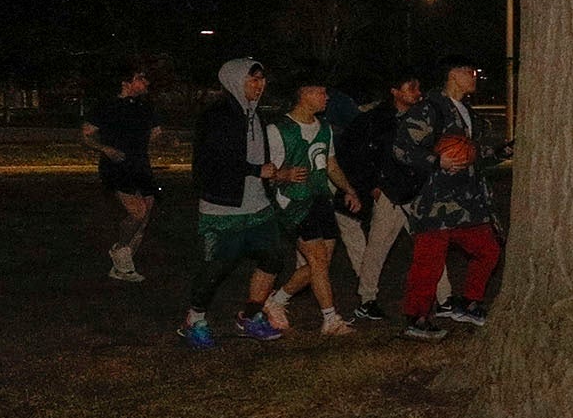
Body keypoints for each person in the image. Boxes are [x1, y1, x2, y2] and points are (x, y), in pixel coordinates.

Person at [181, 57, 298, 346]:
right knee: (217, 266)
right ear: (235, 80)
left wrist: (271, 175)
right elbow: (212, 161)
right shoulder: (217, 116)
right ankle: (194, 320)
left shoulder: (255, 114)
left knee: (272, 257)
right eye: (252, 79)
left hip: (257, 205)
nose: (259, 86)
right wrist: (255, 170)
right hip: (223, 206)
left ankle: (250, 315)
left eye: (261, 79)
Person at [395, 57, 504, 339]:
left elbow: (472, 153)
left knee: (489, 249)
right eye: (469, 71)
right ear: (453, 76)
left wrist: (499, 153)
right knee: (428, 262)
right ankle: (416, 318)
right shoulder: (430, 108)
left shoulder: (469, 112)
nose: (474, 76)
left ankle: (469, 303)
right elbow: (401, 148)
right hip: (435, 202)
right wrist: (436, 161)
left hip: (468, 203)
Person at [267, 75, 357, 335]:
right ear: (303, 94)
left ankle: (276, 300)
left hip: (320, 199)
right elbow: (266, 170)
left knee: (321, 263)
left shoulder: (324, 127)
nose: (326, 98)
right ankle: (330, 319)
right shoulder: (278, 129)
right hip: (293, 201)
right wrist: (284, 175)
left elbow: (330, 164)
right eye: (321, 92)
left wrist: (349, 190)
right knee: (317, 259)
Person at [335, 72, 427, 322]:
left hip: (416, 189)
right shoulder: (373, 120)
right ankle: (367, 299)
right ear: (395, 91)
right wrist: (373, 185)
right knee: (378, 247)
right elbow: (354, 155)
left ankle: (444, 297)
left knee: (429, 242)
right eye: (411, 86)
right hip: (390, 192)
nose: (417, 92)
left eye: (418, 87)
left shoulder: (421, 118)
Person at [81, 58, 162, 284]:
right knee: (137, 213)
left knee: (144, 216)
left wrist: (166, 140)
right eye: (140, 78)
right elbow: (87, 134)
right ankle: (120, 250)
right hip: (116, 167)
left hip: (141, 166)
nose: (145, 83)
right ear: (126, 82)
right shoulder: (107, 106)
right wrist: (105, 148)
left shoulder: (146, 107)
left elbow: (156, 134)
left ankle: (123, 265)